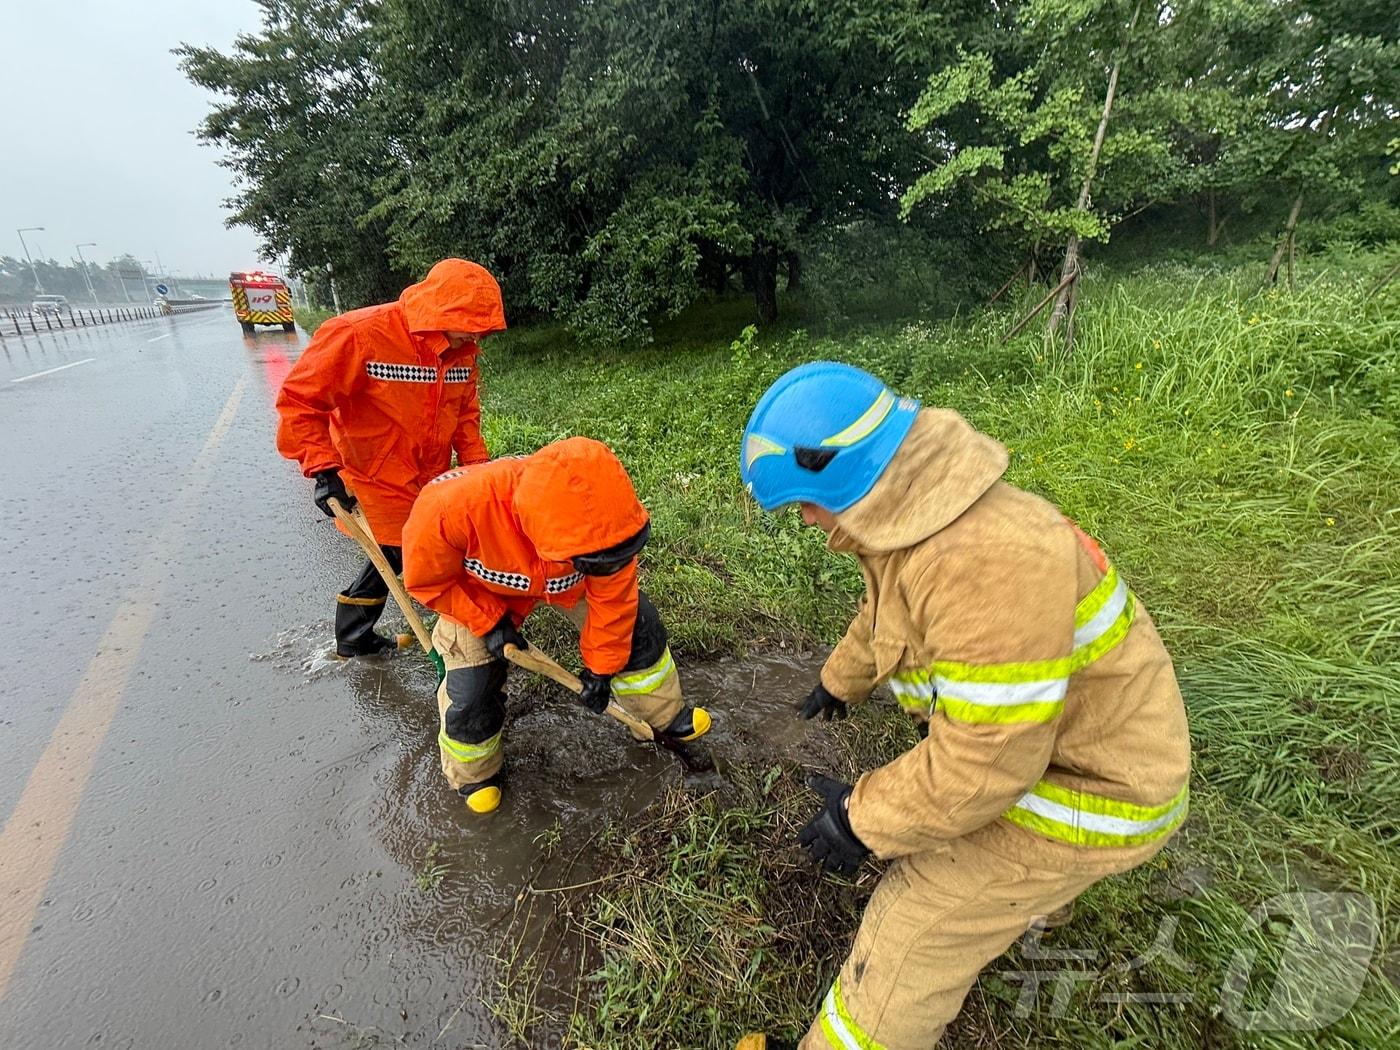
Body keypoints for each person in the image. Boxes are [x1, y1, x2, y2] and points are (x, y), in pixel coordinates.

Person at [734, 362, 1191, 1050]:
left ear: (840, 470)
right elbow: (885, 616)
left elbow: (985, 764)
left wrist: (860, 819)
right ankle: (1038, 904)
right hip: (1067, 750)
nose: (804, 519)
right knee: (983, 868)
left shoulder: (984, 561)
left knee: (913, 926)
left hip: (1093, 790)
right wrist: (839, 680)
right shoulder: (915, 518)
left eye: (803, 501)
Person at [401, 436, 711, 813]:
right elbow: (429, 581)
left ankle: (661, 718)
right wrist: (488, 621)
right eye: (599, 561)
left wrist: (600, 671)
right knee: (473, 685)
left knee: (636, 625)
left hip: (563, 580)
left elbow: (614, 602)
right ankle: (475, 773)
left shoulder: (608, 527)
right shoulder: (449, 509)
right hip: (473, 592)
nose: (611, 566)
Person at [276, 258, 506, 657]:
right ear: (440, 311)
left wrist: (477, 474)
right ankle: (364, 636)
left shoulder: (461, 351)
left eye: (480, 329)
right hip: (371, 472)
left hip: (428, 473)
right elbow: (300, 401)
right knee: (398, 551)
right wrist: (324, 470)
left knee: (422, 547)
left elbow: (465, 418)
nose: (475, 337)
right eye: (469, 326)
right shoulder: (360, 334)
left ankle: (360, 635)